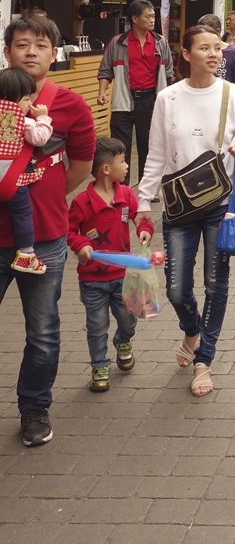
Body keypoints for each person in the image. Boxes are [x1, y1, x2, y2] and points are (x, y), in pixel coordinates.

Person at [137, 25, 235, 397]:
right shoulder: (167, 98)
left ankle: (204, 359)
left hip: (221, 204)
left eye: (218, 48)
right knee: (176, 289)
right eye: (205, 48)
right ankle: (191, 330)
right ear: (186, 54)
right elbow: (155, 155)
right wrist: (142, 203)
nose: (215, 54)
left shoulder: (232, 94)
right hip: (178, 207)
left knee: (216, 284)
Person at [0, 14, 95, 447]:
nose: (31, 52)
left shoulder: (71, 106)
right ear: (7, 53)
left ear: (54, 54)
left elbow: (80, 168)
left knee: (42, 329)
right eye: (21, 45)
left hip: (46, 238)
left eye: (40, 45)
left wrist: (45, 197)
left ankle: (34, 407)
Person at [67, 137, 154, 392]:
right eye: (123, 161)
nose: (127, 166)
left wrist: (145, 229)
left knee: (128, 318)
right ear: (106, 169)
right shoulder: (81, 202)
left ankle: (123, 342)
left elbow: (141, 217)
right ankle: (99, 365)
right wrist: (80, 244)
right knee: (96, 326)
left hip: (122, 275)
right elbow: (70, 231)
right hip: (92, 280)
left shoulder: (126, 195)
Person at [97, 0, 174, 183]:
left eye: (153, 16)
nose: (152, 19)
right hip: (123, 100)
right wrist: (102, 91)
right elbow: (105, 70)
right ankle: (120, 187)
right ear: (135, 18)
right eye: (148, 16)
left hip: (150, 101)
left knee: (148, 146)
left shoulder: (160, 43)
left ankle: (146, 187)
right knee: (120, 147)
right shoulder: (117, 43)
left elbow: (169, 72)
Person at [0, 67, 53, 274]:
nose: (29, 104)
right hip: (13, 184)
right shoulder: (25, 121)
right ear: (11, 101)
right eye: (25, 99)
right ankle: (26, 254)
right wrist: (43, 118)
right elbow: (40, 138)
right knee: (23, 215)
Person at [198, 14, 235, 98]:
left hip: (226, 101)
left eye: (205, 32)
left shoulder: (234, 53)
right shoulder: (197, 52)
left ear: (217, 32)